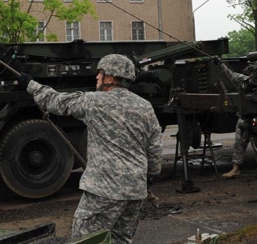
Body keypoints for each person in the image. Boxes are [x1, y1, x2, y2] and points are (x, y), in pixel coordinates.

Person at [18, 54, 162, 244]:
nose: (96, 77)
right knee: (120, 240)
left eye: (100, 73)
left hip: (104, 192)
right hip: (135, 193)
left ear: (110, 78)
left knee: (85, 240)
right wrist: (148, 176)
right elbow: (154, 152)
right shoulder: (145, 107)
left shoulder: (94, 101)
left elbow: (55, 101)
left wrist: (30, 85)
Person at [212, 57, 257, 179]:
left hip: (256, 117)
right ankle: (236, 168)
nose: (248, 68)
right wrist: (220, 64)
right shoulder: (243, 80)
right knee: (239, 143)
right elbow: (230, 74)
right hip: (243, 117)